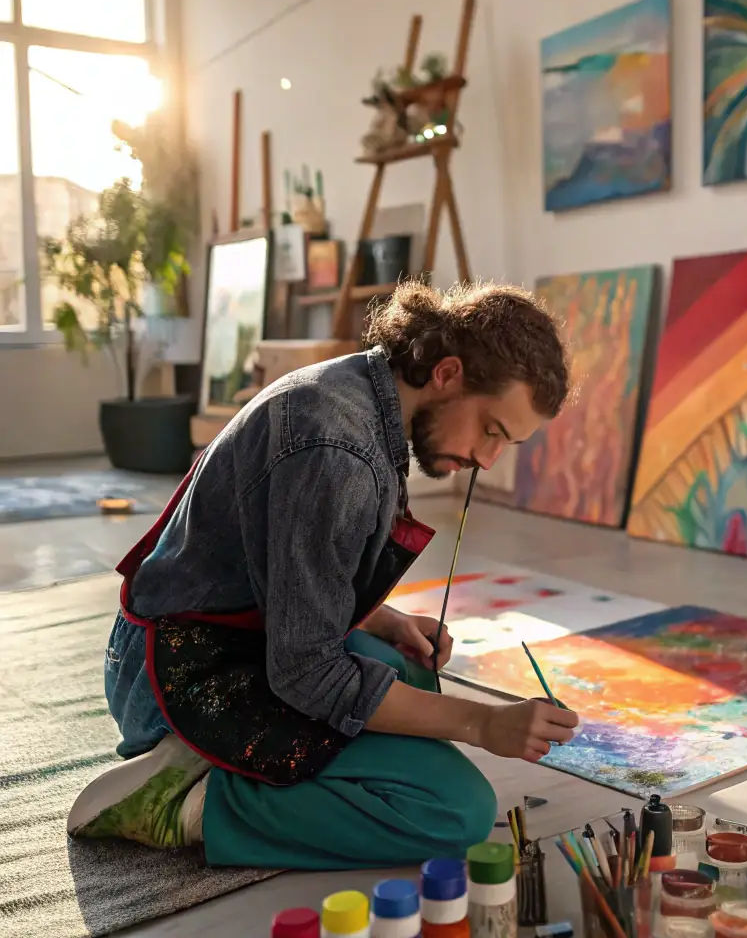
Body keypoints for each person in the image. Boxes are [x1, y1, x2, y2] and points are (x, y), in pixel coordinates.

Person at [67, 280, 578, 871]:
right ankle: (189, 802)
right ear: (448, 373)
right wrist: (482, 721)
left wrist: (381, 620)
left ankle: (199, 760)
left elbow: (280, 563)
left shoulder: (362, 388)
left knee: (407, 665)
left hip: (200, 637)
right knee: (454, 810)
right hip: (173, 674)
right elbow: (306, 673)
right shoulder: (339, 450)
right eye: (491, 430)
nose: (488, 460)